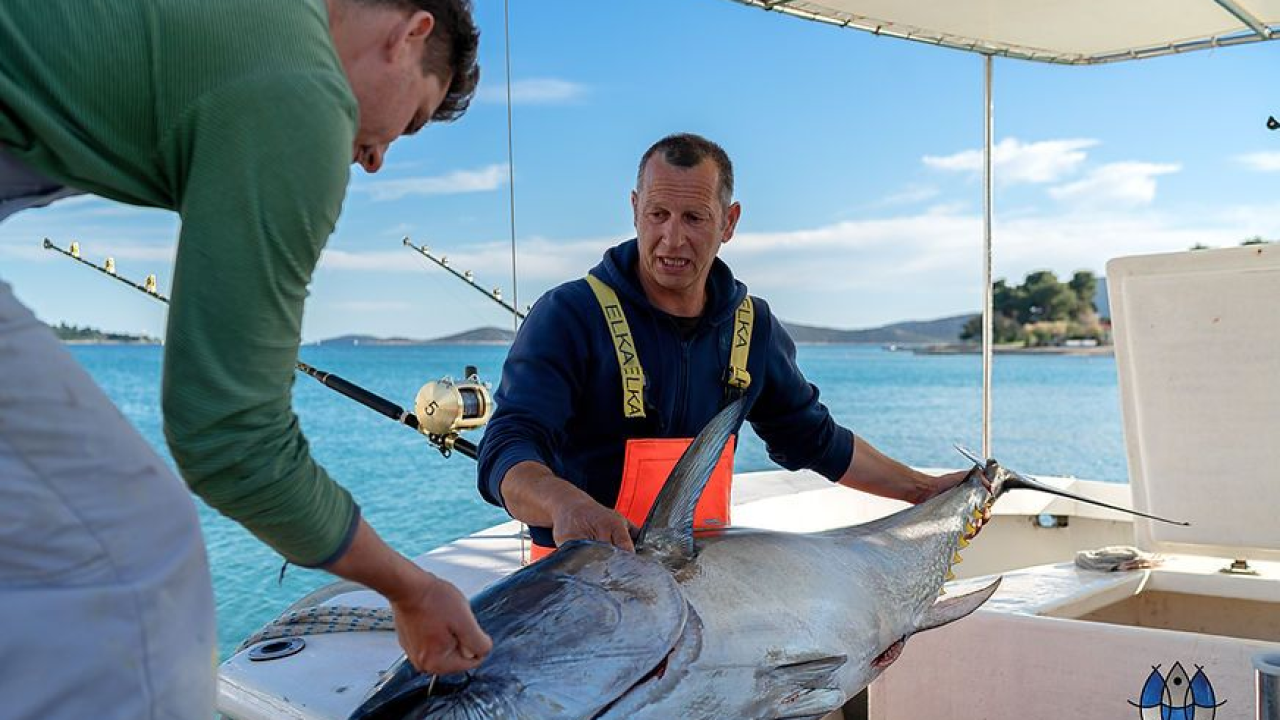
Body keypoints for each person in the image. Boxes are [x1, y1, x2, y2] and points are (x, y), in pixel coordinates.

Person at [0, 1, 490, 717]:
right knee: (133, 557)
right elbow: (231, 439)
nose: (378, 158)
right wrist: (410, 590)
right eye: (410, 120)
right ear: (409, 34)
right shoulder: (304, 90)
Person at [478, 133, 980, 559]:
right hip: (581, 590)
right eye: (658, 214)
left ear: (730, 221)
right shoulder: (569, 315)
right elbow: (506, 449)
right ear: (634, 210)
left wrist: (920, 490)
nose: (671, 239)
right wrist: (566, 505)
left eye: (694, 218)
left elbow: (815, 440)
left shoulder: (752, 326)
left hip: (699, 587)